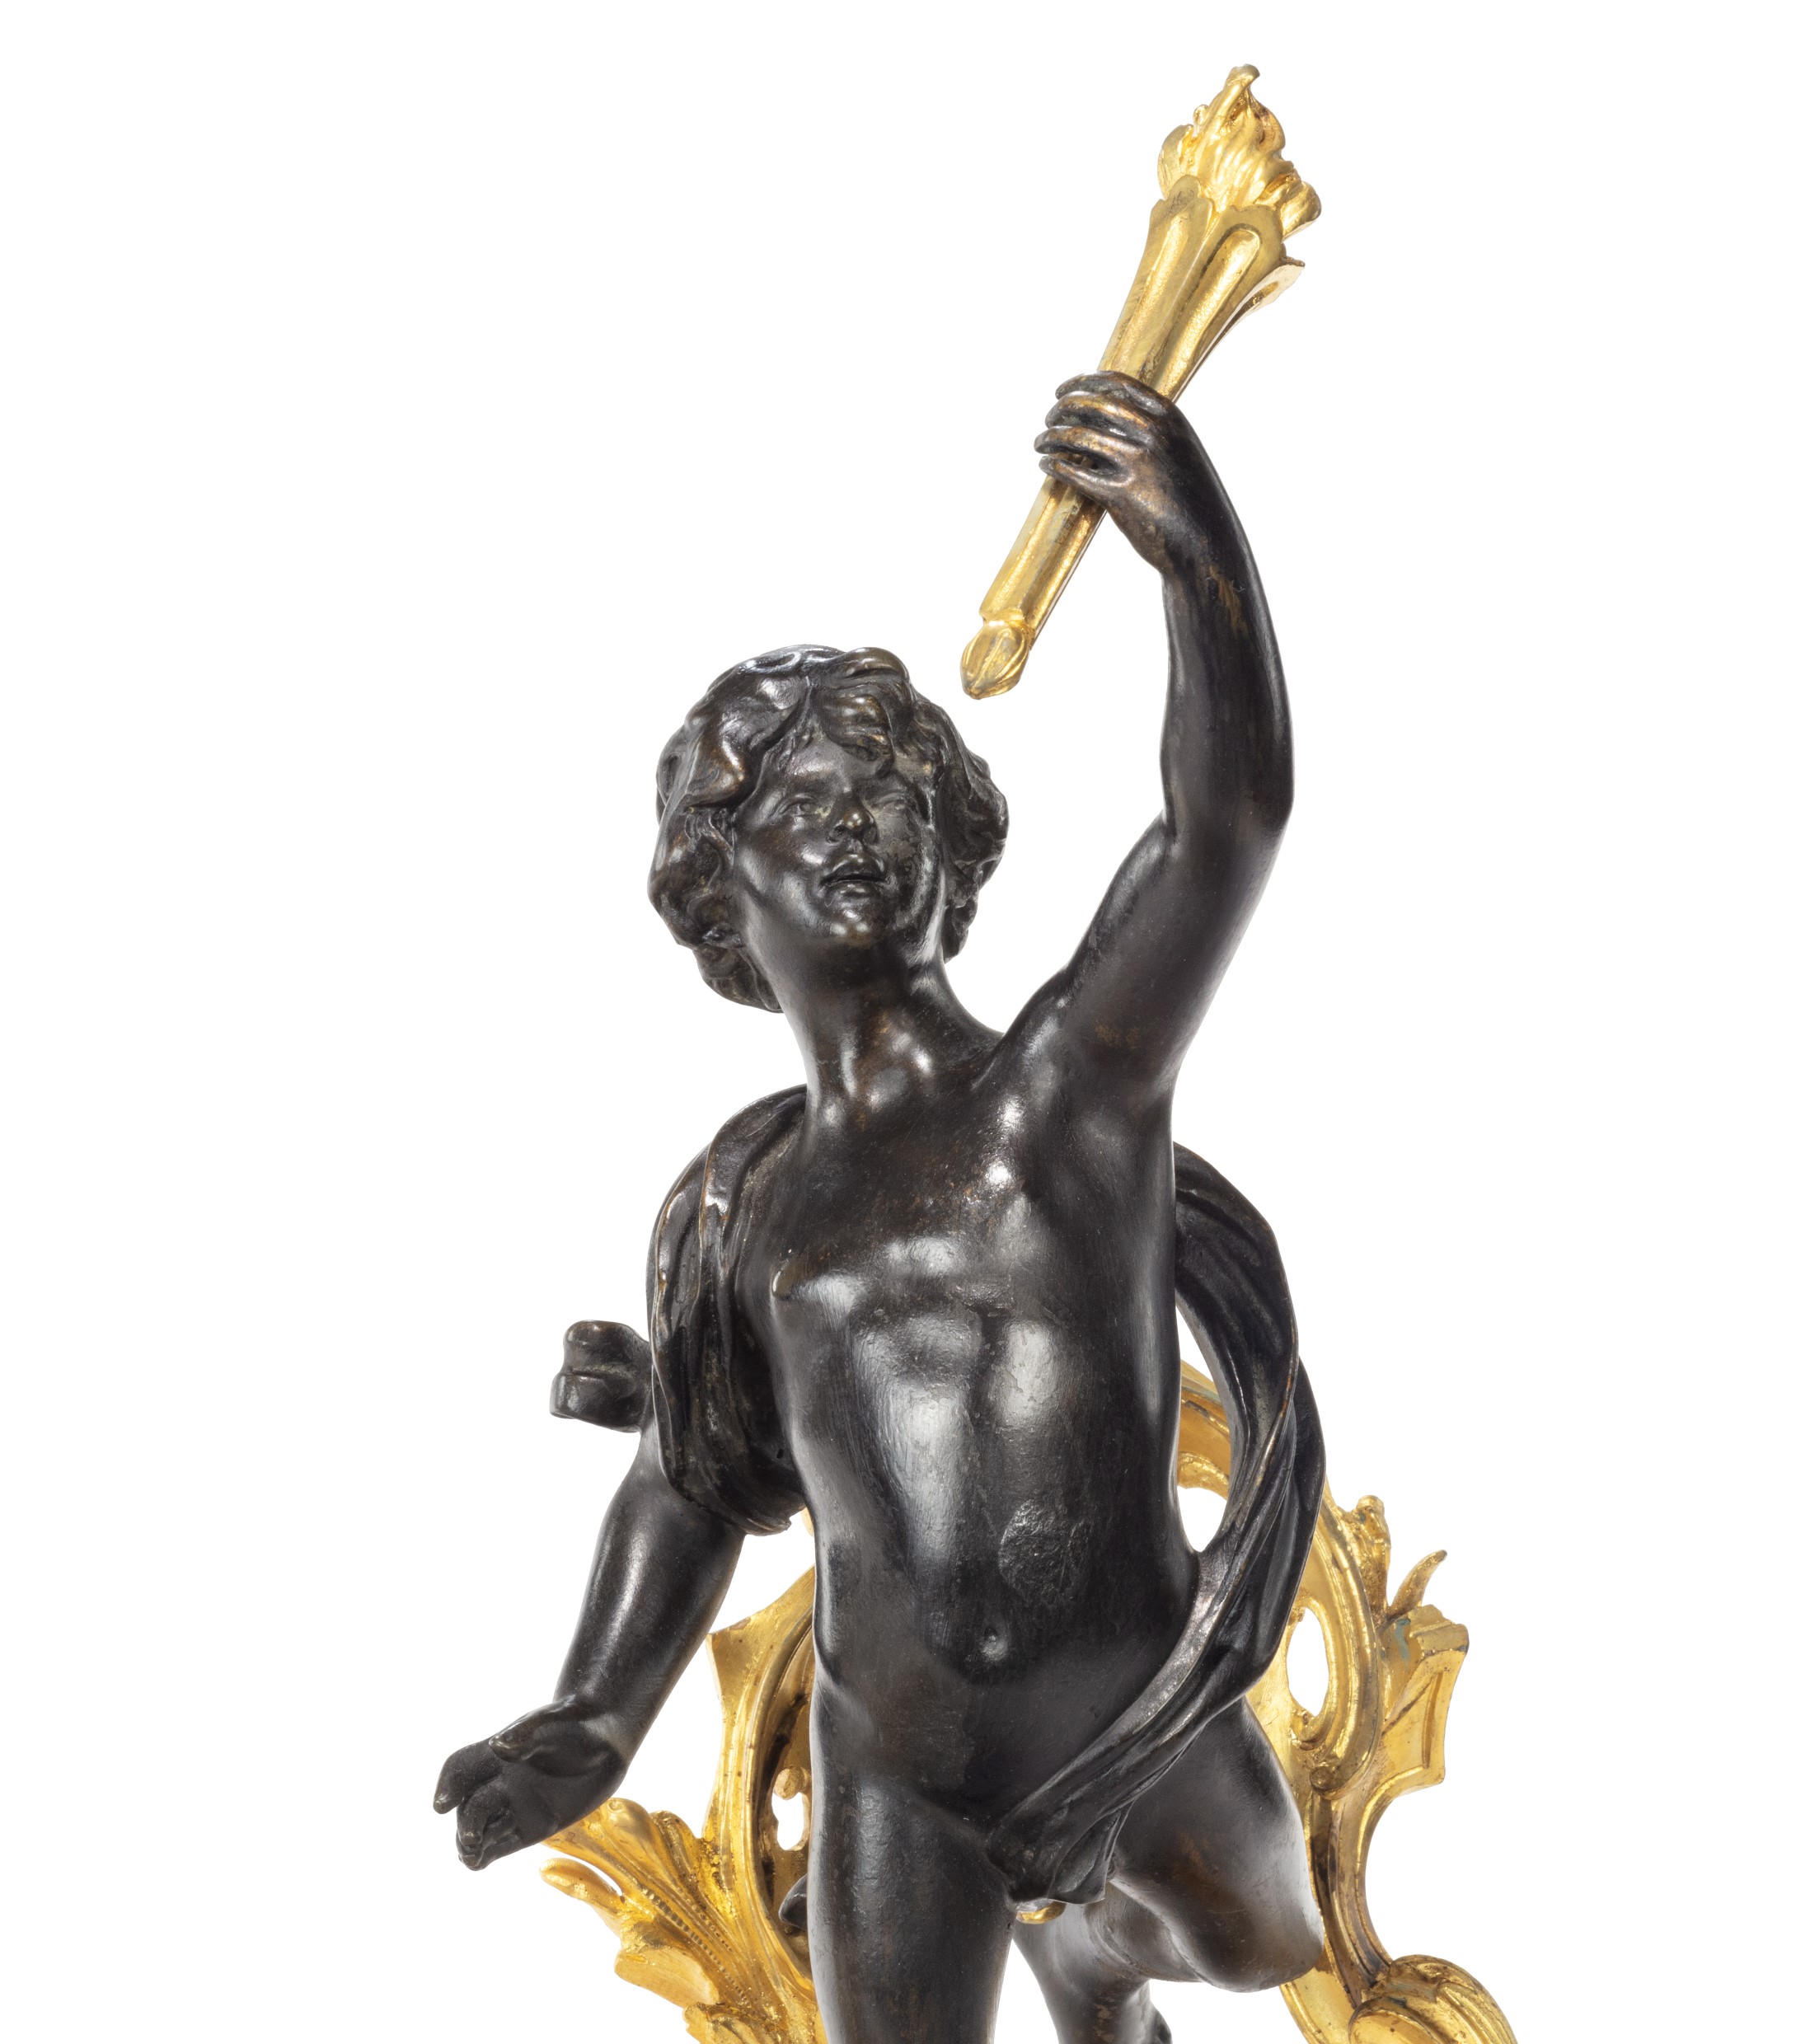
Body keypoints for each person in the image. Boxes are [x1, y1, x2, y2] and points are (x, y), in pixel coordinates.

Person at [436, 373, 1325, 2044]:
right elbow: (689, 1481)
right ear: (719, 892)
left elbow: (1226, 826)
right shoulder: (742, 1201)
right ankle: (1082, 1959)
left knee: (1267, 1943)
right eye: (799, 801)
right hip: (894, 1764)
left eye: (887, 786)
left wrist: (1198, 556)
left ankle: (1095, 1964)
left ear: (951, 842)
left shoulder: (1068, 1092)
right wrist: (594, 1713)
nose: (853, 818)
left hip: (1135, 1714)